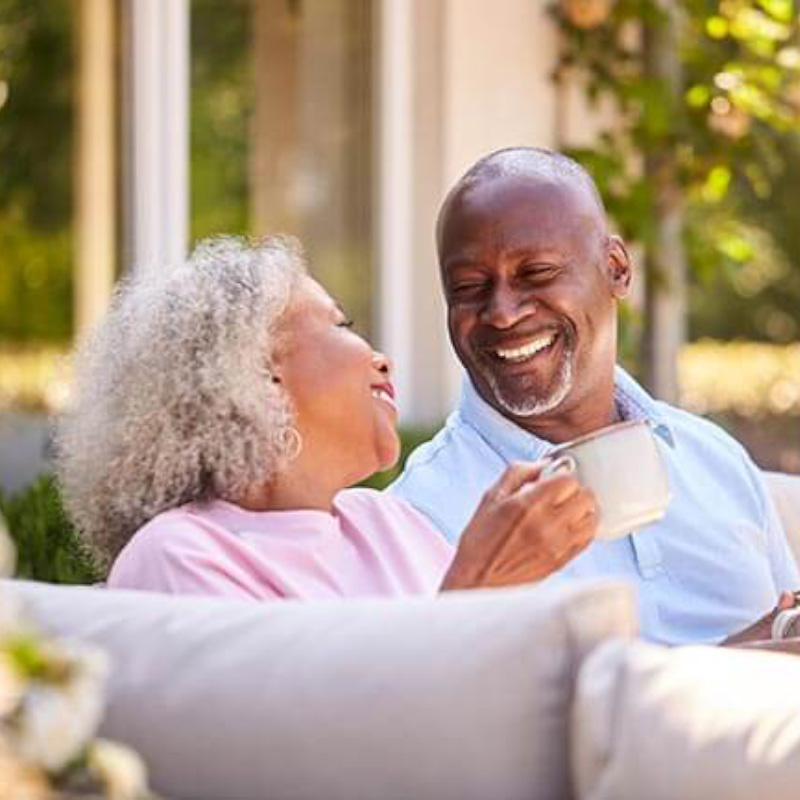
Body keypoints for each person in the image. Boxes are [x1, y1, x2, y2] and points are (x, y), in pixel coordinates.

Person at [391, 146, 800, 645]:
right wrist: (726, 669)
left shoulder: (713, 458)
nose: (501, 312)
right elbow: (451, 712)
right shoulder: (422, 513)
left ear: (616, 268)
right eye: (469, 287)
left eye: (536, 274)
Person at [55, 235, 598, 600]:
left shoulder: (390, 523)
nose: (380, 357)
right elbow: (296, 754)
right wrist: (478, 589)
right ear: (257, 375)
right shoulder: (180, 556)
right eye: (341, 324)